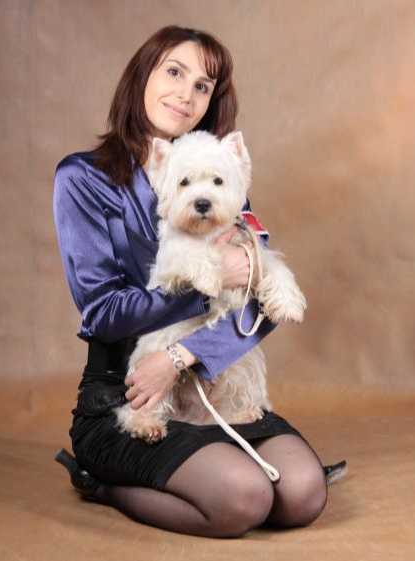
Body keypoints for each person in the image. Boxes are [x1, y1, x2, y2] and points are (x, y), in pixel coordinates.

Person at [53, 25, 333, 539]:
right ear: (143, 75)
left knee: (302, 494)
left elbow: (258, 300)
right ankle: (100, 482)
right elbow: (103, 314)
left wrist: (182, 356)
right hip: (127, 394)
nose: (186, 94)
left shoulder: (217, 170)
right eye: (174, 73)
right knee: (244, 500)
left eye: (202, 85)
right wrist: (209, 283)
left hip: (214, 386)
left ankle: (207, 460)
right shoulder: (83, 179)